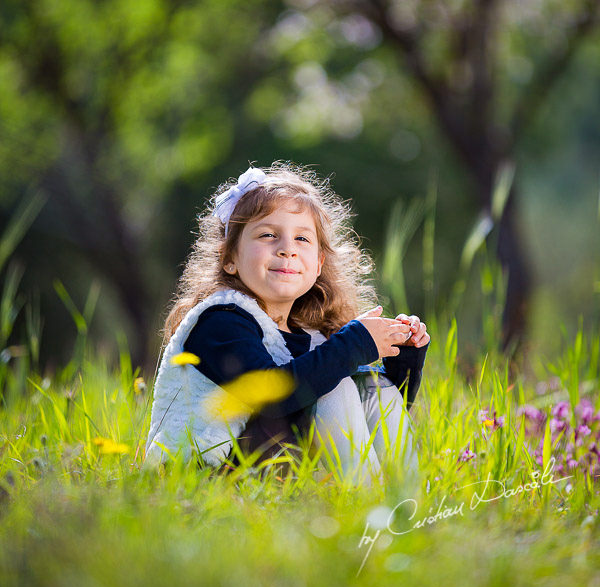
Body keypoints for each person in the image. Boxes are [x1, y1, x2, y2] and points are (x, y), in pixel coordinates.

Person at [144, 162, 431, 485]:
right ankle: (365, 503)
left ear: (319, 263)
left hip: (273, 470)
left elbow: (367, 410)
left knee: (375, 389)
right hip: (203, 478)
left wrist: (401, 357)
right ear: (230, 259)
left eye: (302, 239)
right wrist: (354, 344)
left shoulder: (309, 335)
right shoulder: (220, 321)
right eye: (268, 235)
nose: (287, 250)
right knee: (329, 385)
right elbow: (275, 397)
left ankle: (406, 502)